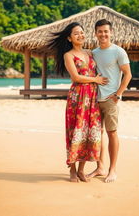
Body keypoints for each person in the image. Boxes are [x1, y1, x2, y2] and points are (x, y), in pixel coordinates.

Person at [46, 22, 108, 183]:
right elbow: (76, 77)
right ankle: (72, 170)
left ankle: (81, 170)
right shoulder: (69, 55)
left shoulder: (90, 53)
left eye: (82, 32)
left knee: (89, 133)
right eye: (76, 33)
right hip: (78, 97)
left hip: (93, 97)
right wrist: (95, 79)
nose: (80, 35)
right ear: (69, 38)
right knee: (76, 132)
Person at [87, 19, 132, 183]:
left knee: (111, 133)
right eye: (100, 31)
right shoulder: (94, 53)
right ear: (96, 33)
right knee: (96, 135)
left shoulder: (118, 51)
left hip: (110, 99)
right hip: (94, 100)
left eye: (106, 31)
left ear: (111, 32)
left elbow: (128, 75)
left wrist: (117, 95)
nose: (103, 34)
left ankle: (112, 170)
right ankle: (100, 167)